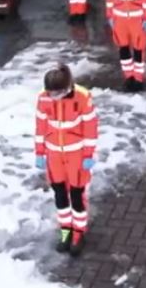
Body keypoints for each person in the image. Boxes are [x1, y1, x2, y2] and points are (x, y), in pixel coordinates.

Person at [34, 64, 98, 256]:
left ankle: (78, 233)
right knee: (60, 195)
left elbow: (90, 129)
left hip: (76, 155)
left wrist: (88, 155)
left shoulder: (82, 97)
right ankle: (65, 231)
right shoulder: (44, 98)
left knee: (77, 196)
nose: (51, 97)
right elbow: (41, 126)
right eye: (49, 93)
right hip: (54, 155)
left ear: (65, 89)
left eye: (55, 94)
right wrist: (39, 152)